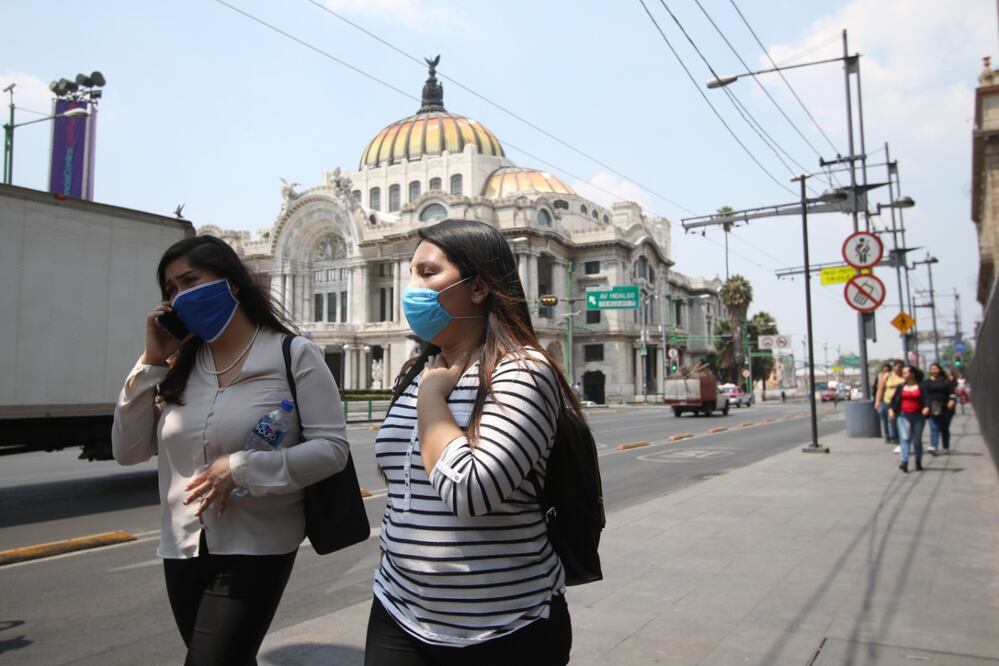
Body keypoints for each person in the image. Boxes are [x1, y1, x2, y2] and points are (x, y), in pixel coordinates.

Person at [112, 235, 350, 665]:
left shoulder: (292, 355)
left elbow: (331, 450)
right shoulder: (179, 366)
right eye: (171, 290)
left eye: (190, 280)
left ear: (231, 284)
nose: (181, 295)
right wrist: (150, 361)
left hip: (257, 547)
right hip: (182, 547)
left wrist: (240, 468)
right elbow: (128, 451)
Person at [364, 219, 576, 665]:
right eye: (411, 274)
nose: (412, 289)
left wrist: (432, 397)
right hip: (399, 613)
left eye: (428, 273)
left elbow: (470, 490)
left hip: (503, 628)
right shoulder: (422, 367)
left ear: (478, 287)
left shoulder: (521, 370)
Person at [888, 365, 929, 473]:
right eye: (903, 373)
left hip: (918, 416)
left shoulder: (921, 386)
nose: (903, 374)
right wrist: (891, 410)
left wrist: (926, 407)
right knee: (905, 439)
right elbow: (893, 400)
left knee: (916, 440)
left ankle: (918, 462)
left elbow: (926, 399)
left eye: (906, 372)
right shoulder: (901, 387)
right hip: (903, 416)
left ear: (912, 374)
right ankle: (904, 462)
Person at [924, 362, 957, 453]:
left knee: (944, 428)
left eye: (936, 368)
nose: (934, 370)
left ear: (940, 370)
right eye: (932, 369)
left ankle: (945, 446)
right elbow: (924, 395)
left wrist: (952, 400)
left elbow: (952, 394)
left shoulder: (946, 381)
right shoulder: (926, 382)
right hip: (932, 407)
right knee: (934, 427)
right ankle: (933, 446)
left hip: (945, 407)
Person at [877, 361, 904, 451]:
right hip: (887, 402)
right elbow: (880, 389)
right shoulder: (887, 376)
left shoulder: (906, 375)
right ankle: (893, 438)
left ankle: (897, 439)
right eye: (897, 366)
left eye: (901, 367)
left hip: (902, 403)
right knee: (889, 420)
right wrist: (877, 401)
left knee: (896, 421)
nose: (899, 368)